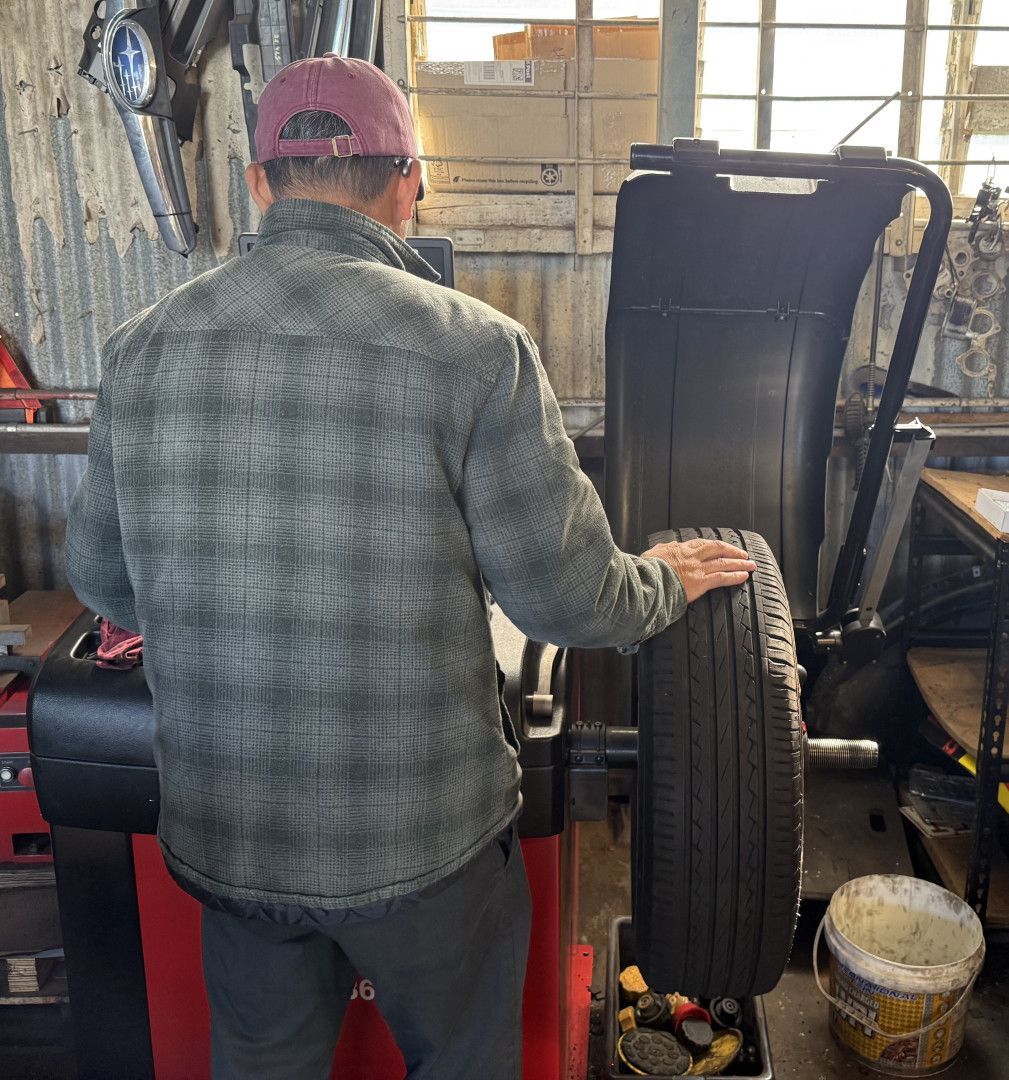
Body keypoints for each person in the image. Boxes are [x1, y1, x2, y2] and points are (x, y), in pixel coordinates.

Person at [65, 55, 756, 1080]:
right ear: (408, 184)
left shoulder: (139, 350)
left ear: (257, 184)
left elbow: (106, 585)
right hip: (423, 844)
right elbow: (564, 597)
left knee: (259, 1059)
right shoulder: (476, 350)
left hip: (230, 831)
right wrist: (659, 579)